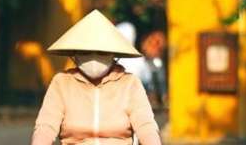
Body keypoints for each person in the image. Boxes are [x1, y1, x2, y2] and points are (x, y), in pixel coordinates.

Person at [31, 9, 161, 145]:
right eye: (86, 52)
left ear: (113, 54)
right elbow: (46, 127)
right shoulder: (62, 82)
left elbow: (146, 127)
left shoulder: (130, 83)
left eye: (101, 52)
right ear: (75, 54)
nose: (93, 57)